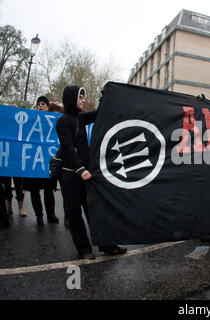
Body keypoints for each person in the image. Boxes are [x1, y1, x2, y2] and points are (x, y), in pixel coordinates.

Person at [56, 85, 127, 260]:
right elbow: (69, 148)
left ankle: (107, 246)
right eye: (80, 98)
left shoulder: (79, 118)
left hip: (85, 174)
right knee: (74, 215)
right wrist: (80, 169)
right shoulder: (63, 121)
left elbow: (99, 114)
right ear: (71, 99)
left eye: (83, 97)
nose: (82, 101)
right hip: (70, 175)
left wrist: (105, 93)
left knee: (95, 211)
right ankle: (84, 250)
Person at [23, 96, 59, 225]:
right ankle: (39, 215)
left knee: (48, 190)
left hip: (47, 163)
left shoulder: (52, 122)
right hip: (34, 162)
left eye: (43, 104)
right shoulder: (31, 121)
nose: (40, 106)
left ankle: (51, 214)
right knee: (34, 191)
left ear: (47, 107)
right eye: (38, 104)